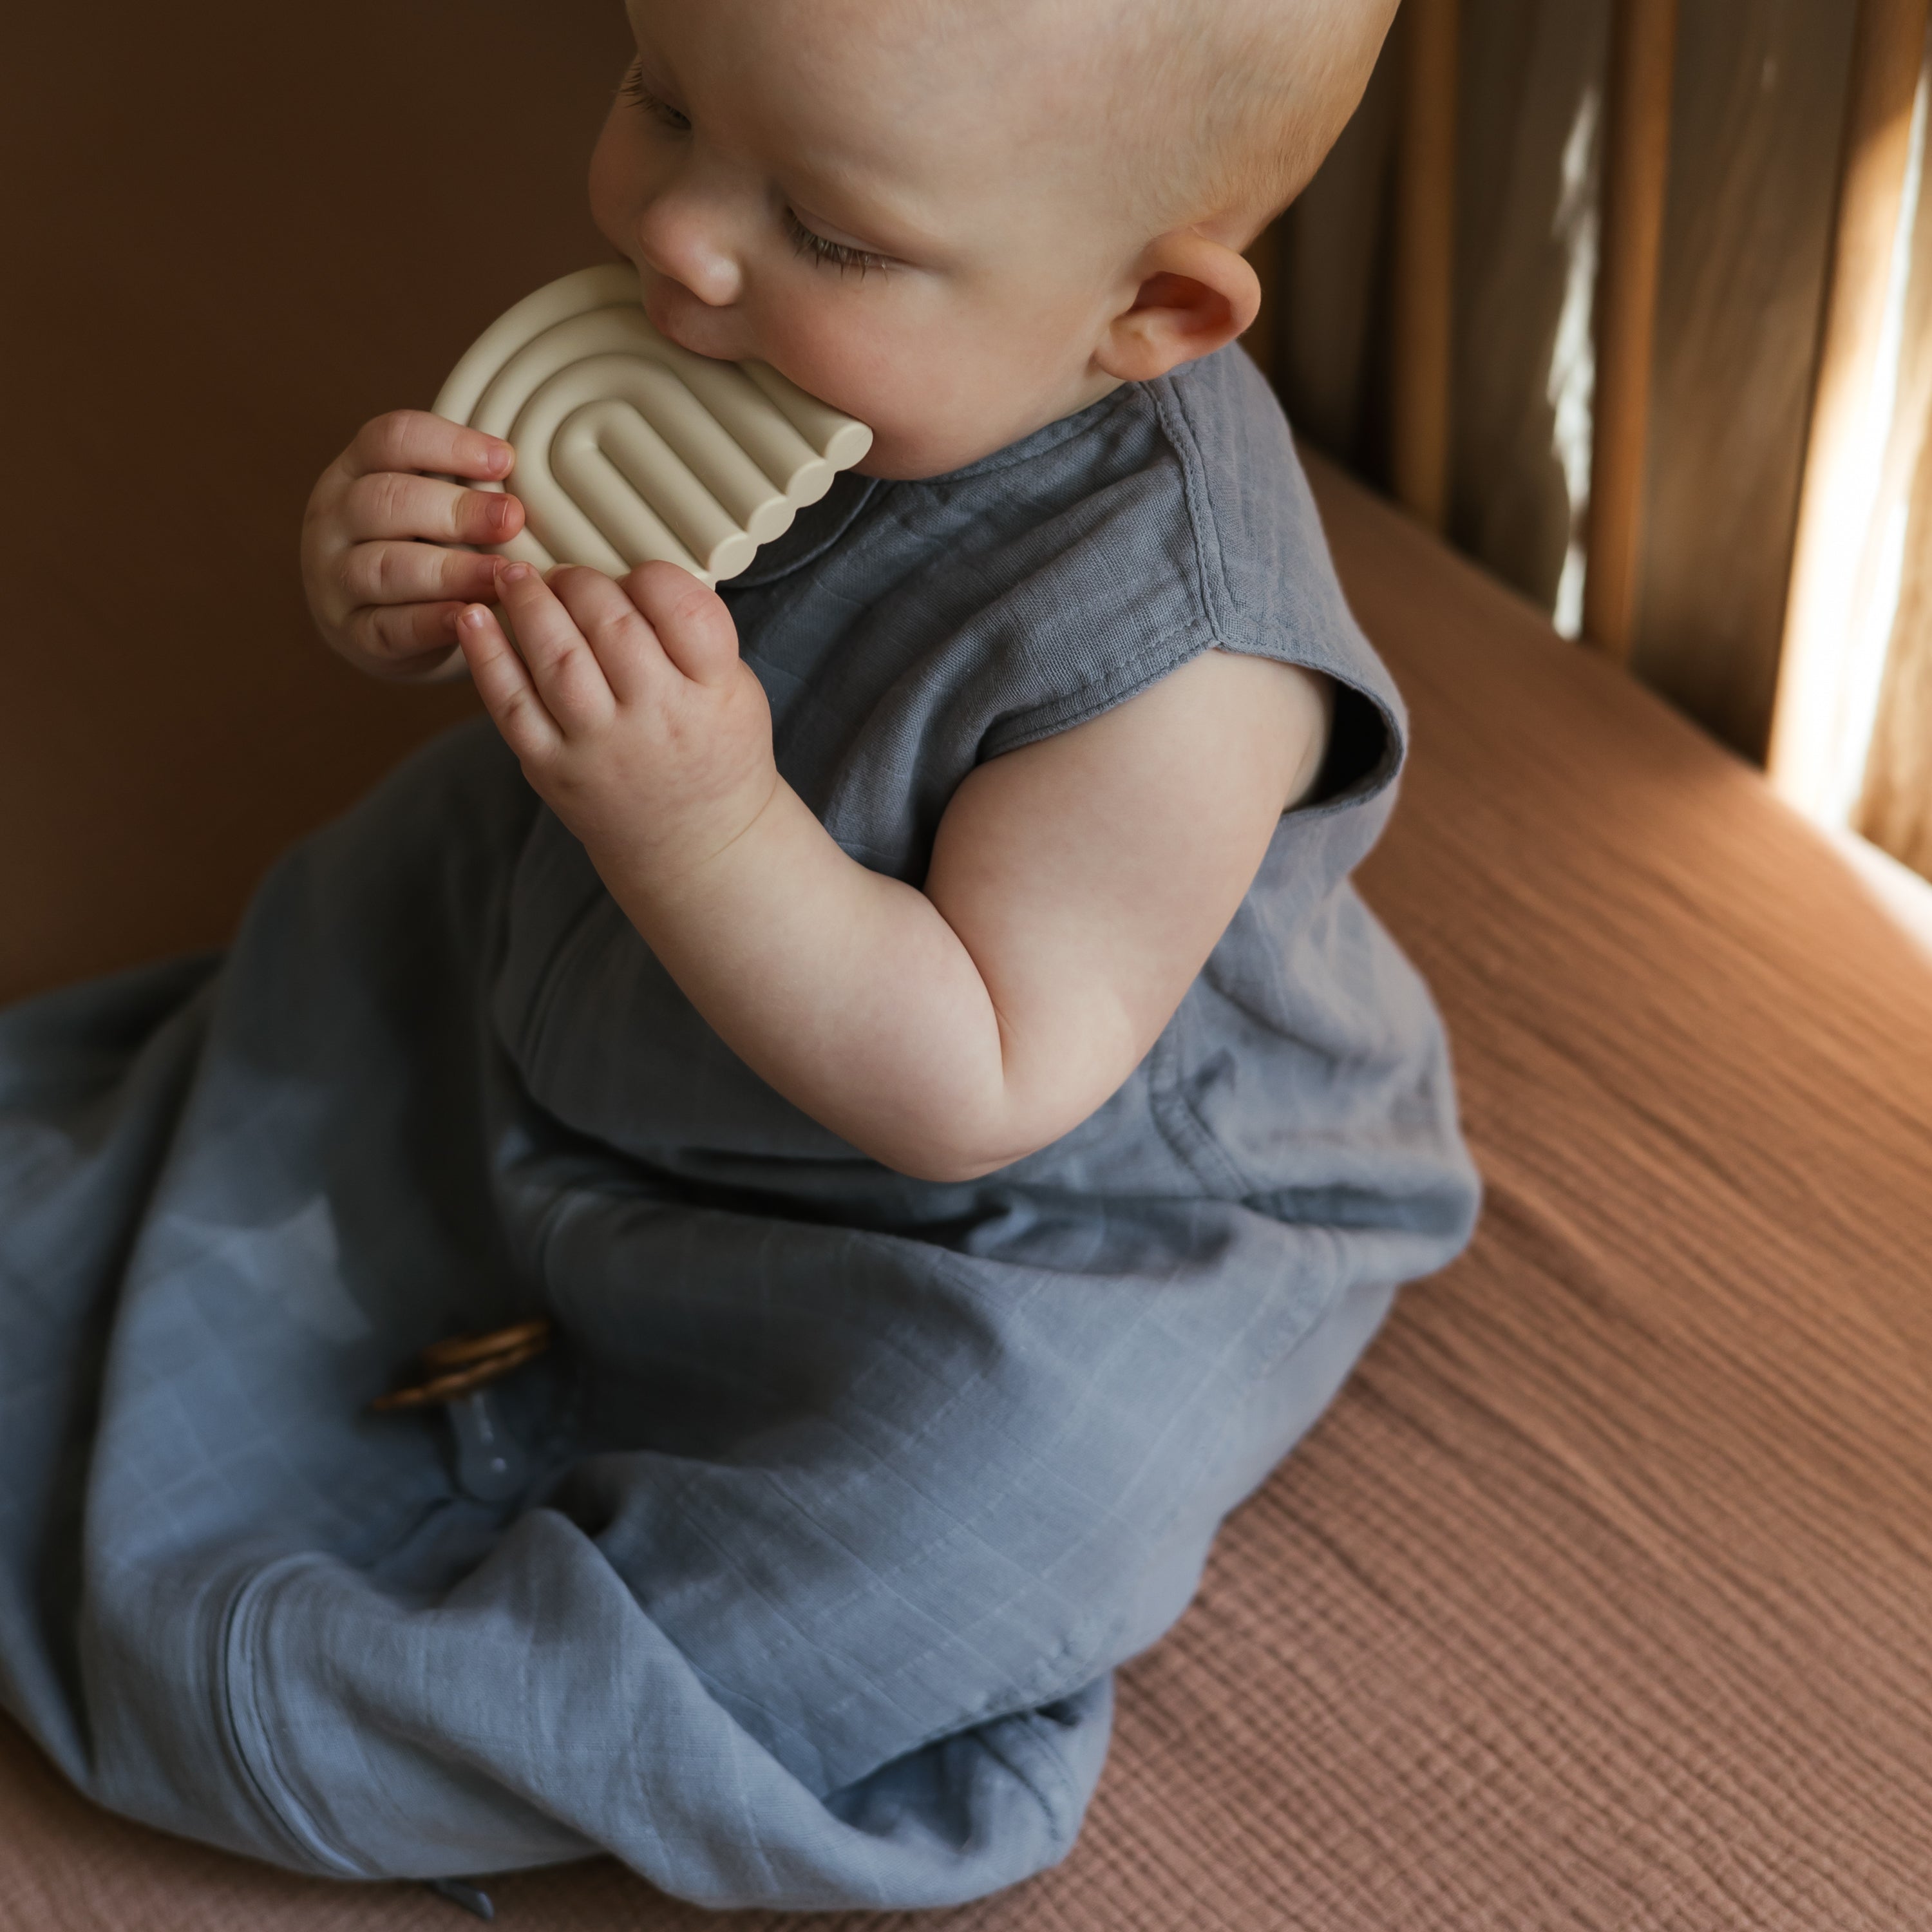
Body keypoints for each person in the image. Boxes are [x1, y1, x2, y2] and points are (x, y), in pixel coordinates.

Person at [0, 0, 1478, 1910]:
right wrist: (392, 573)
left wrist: (694, 823)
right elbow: (551, 568)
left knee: (984, 1519)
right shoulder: (744, 312)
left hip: (1005, 1192)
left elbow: (980, 1086)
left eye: (835, 233)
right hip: (603, 957)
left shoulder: (1185, 659)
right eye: (664, 99)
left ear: (1151, 316)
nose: (682, 238)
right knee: (308, 1000)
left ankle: (354, 1694)